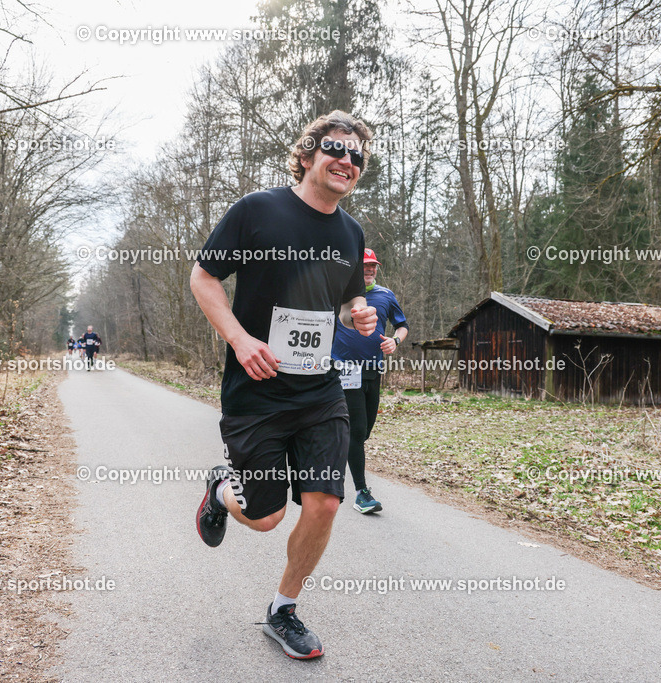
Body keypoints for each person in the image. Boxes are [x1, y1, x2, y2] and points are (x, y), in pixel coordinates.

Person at [190, 110, 377, 660]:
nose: (347, 161)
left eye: (357, 156)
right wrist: (241, 340)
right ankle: (222, 490)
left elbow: (342, 302)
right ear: (307, 154)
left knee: (324, 502)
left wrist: (359, 314)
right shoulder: (257, 211)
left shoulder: (350, 231)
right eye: (335, 150)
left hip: (319, 391)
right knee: (268, 517)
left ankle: (283, 610)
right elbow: (204, 277)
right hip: (257, 390)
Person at [331, 248, 408, 514]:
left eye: (373, 266)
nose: (370, 269)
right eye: (365, 266)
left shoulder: (386, 295)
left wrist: (395, 341)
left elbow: (402, 325)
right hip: (345, 369)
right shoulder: (340, 293)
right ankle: (362, 493)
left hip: (373, 369)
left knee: (364, 432)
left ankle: (336, 454)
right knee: (357, 429)